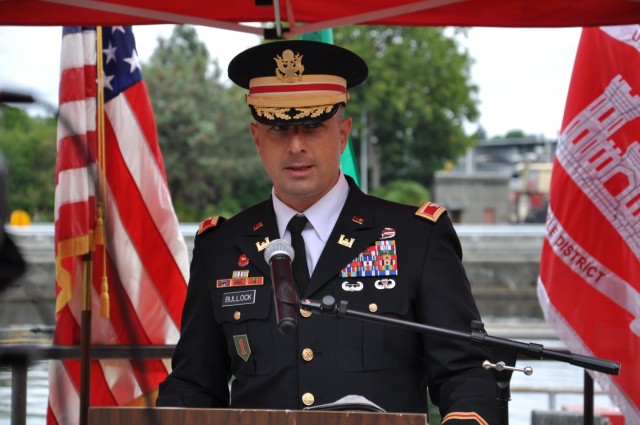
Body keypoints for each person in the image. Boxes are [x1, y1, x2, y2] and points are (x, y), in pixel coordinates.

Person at [157, 40, 498, 424]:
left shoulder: (415, 238)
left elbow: (467, 372)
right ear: (256, 138)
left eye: (313, 127)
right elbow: (195, 384)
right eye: (278, 130)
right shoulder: (219, 247)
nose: (296, 146)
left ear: (342, 133)